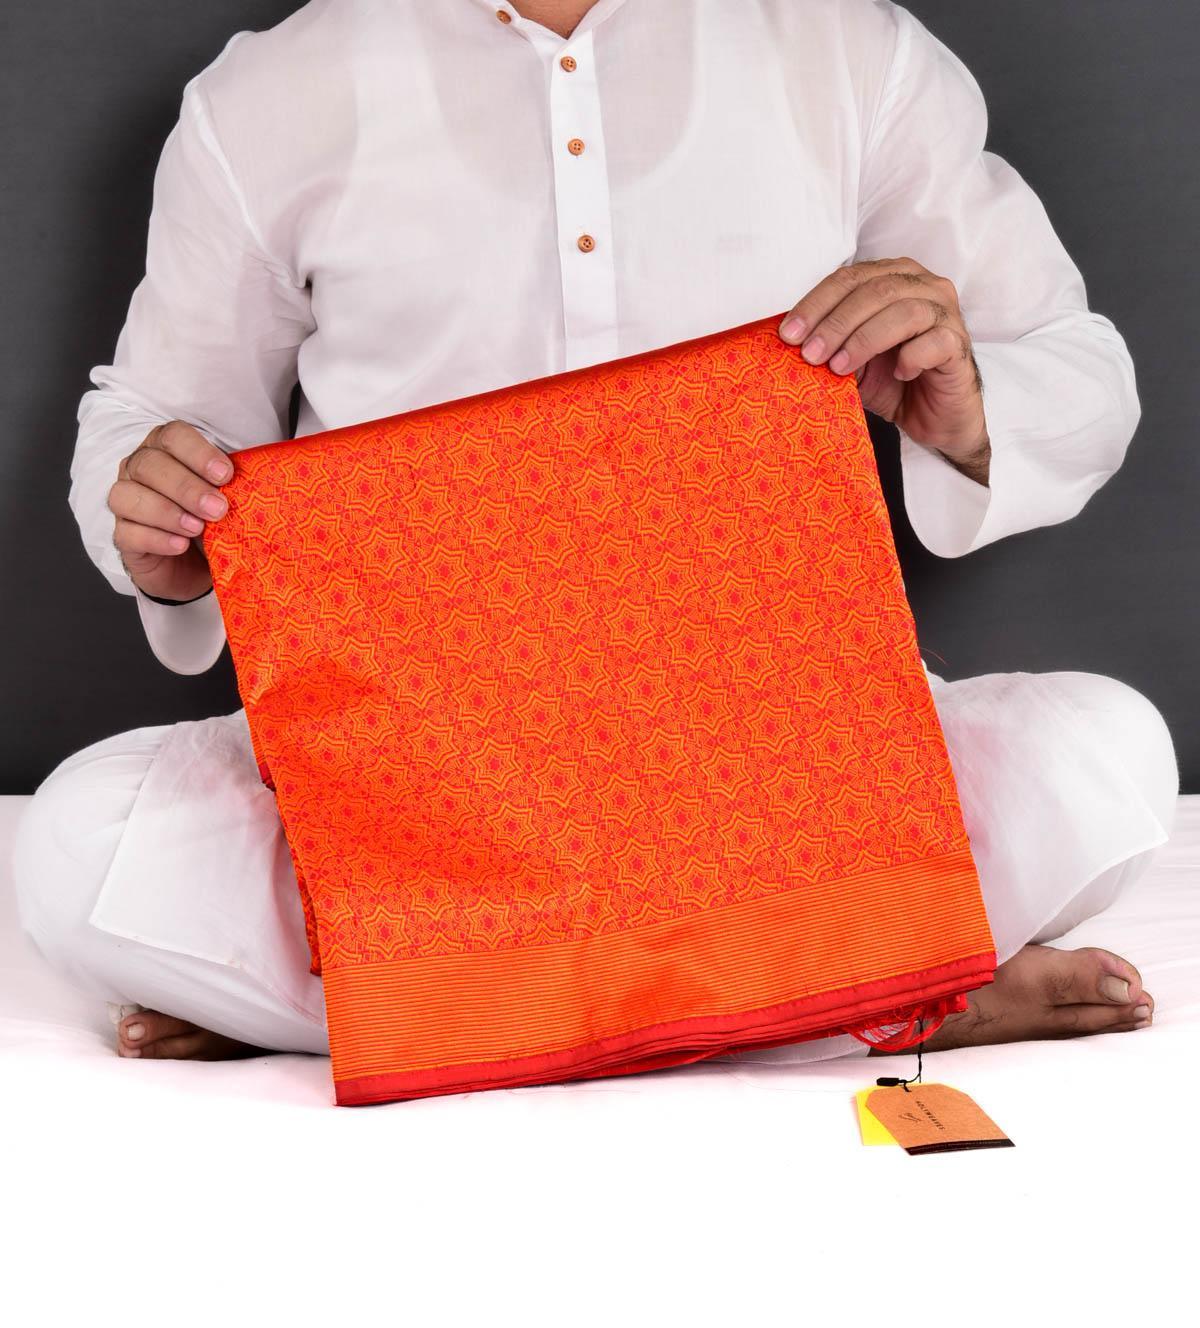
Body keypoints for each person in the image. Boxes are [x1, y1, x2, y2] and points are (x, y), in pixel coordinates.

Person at [13, 0, 1179, 1065]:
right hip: (423, 784)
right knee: (76, 844)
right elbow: (152, 416)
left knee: (1107, 760)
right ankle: (875, 985)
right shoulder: (269, 92)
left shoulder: (847, 48)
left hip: (791, 755)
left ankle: (398, 1009)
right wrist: (157, 516)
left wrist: (969, 407)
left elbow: (1076, 365)